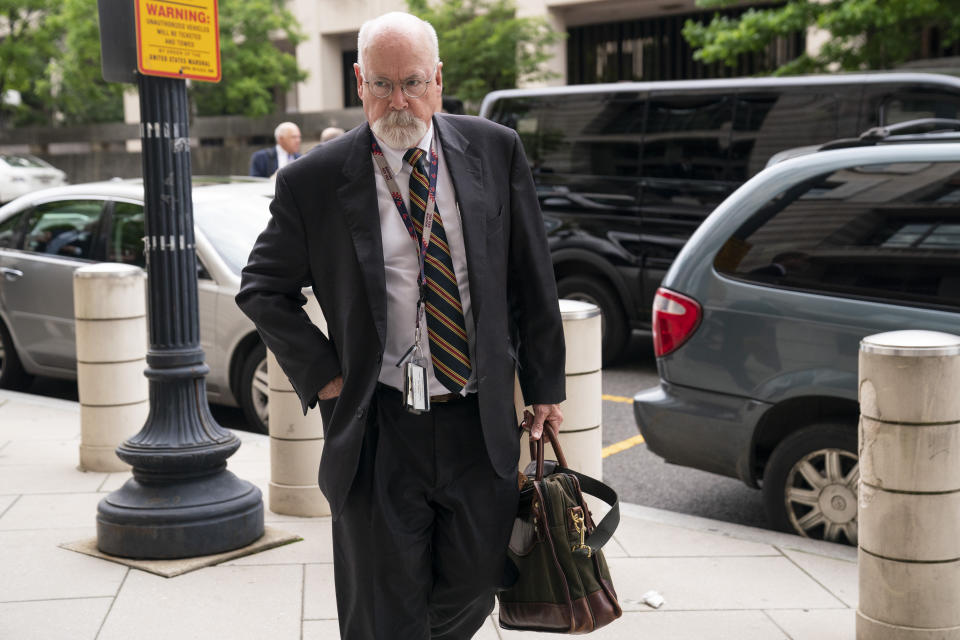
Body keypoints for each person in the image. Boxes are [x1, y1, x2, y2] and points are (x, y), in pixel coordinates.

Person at [236, 11, 565, 640]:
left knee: (475, 586)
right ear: (358, 82)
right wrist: (328, 379)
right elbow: (262, 287)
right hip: (379, 426)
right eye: (381, 85)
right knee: (382, 607)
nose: (398, 100)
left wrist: (546, 385)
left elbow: (531, 276)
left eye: (412, 82)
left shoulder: (495, 150)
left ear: (438, 79)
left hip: (478, 420)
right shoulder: (315, 180)